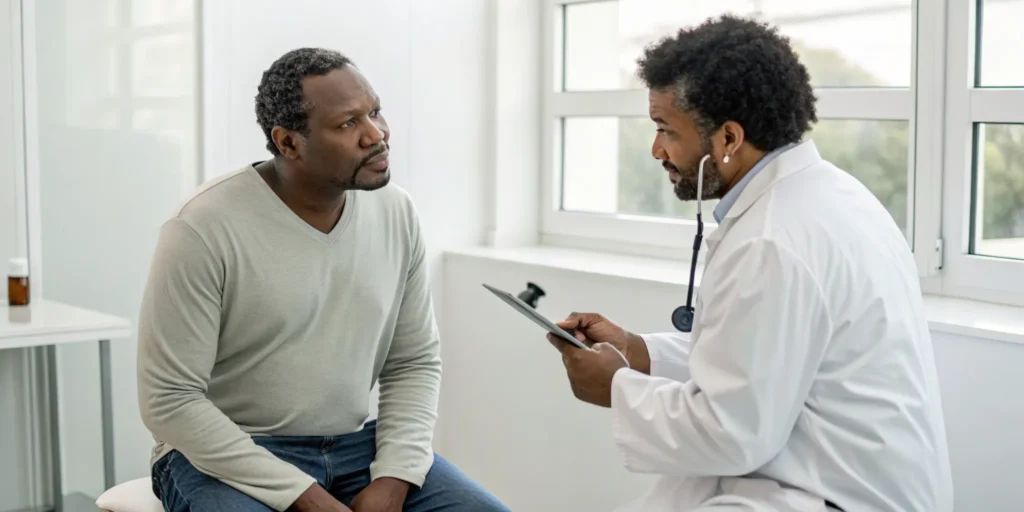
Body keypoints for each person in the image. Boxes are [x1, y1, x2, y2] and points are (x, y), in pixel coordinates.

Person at [546, 15, 953, 512]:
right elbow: (760, 356)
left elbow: (732, 432)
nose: (656, 150)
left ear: (729, 139)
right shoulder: (830, 195)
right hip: (833, 478)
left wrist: (617, 387)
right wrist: (637, 351)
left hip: (830, 496)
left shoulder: (772, 239)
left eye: (665, 130)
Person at [137, 48, 509, 512]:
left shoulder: (396, 211)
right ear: (288, 142)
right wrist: (305, 498)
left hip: (356, 448)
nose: (377, 135)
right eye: (348, 123)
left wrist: (394, 478)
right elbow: (168, 400)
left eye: (374, 112)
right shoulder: (201, 228)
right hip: (227, 456)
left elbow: (413, 361)